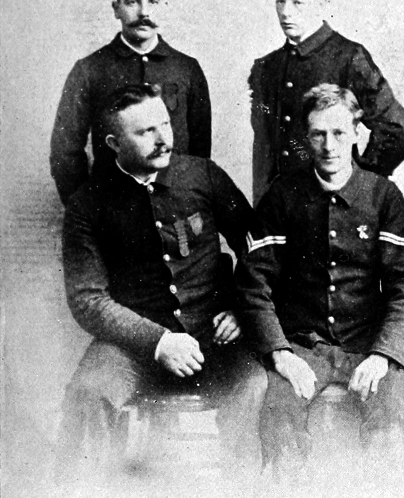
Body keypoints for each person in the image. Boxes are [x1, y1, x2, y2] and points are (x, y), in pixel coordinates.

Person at [55, 84, 265, 490]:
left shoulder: (203, 175)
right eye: (145, 132)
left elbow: (259, 247)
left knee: (254, 386)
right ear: (114, 144)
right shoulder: (87, 204)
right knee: (88, 394)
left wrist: (241, 308)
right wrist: (158, 341)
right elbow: (87, 299)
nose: (162, 139)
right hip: (132, 347)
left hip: (214, 337)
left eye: (165, 124)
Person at [236, 84, 404, 487]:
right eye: (318, 134)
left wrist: (384, 354)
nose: (329, 145)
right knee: (280, 426)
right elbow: (253, 284)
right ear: (306, 137)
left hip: (367, 346)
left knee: (389, 430)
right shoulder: (283, 195)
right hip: (302, 347)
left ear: (357, 132)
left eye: (339, 132)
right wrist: (281, 354)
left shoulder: (382, 196)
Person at [249, 0, 404, 204]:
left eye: (297, 2)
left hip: (332, 207)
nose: (285, 12)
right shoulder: (266, 67)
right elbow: (264, 149)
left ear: (321, 4)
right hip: (279, 208)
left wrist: (359, 183)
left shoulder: (349, 57)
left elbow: (396, 130)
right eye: (280, 1)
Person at [50, 0, 211, 205]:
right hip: (112, 208)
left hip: (176, 206)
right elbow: (65, 151)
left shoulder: (187, 69)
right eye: (132, 2)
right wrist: (85, 210)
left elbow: (200, 153)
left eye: (153, 2)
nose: (144, 12)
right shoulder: (89, 70)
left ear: (164, 6)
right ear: (116, 9)